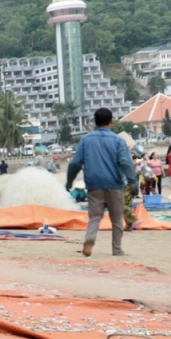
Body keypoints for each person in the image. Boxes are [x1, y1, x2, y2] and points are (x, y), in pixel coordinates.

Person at [65, 108, 136, 257]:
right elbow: (126, 163)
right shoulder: (118, 141)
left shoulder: (86, 140)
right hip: (115, 184)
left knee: (95, 217)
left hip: (94, 185)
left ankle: (90, 239)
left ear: (95, 122)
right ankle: (117, 249)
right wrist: (133, 182)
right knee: (116, 218)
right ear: (112, 121)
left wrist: (69, 182)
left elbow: (75, 163)